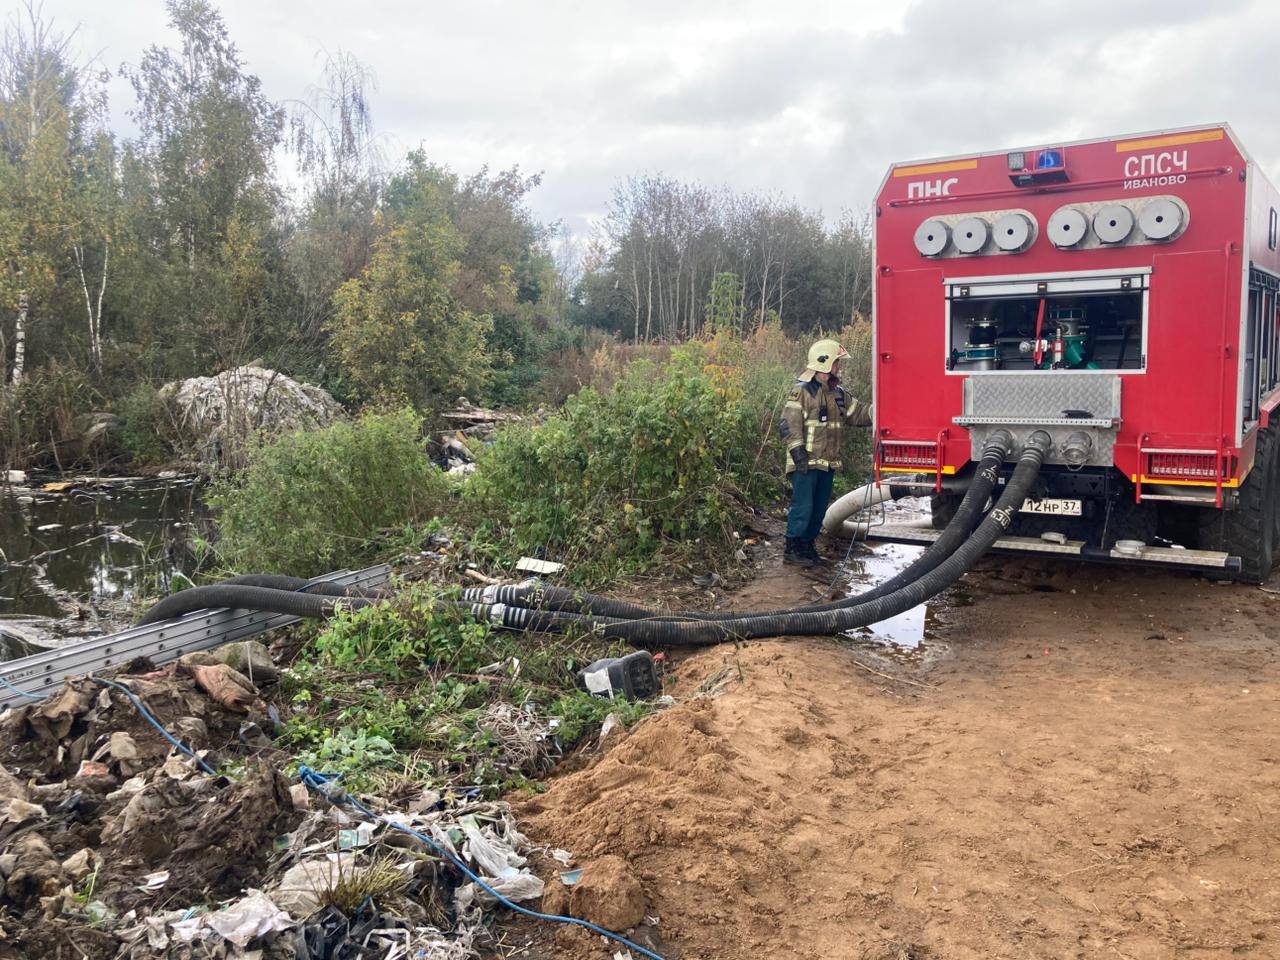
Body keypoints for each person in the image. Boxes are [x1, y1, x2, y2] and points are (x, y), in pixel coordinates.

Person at [778, 338, 872, 566]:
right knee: (803, 507)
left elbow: (858, 413)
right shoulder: (802, 392)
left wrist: (883, 411)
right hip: (805, 462)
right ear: (825, 363)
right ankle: (793, 549)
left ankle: (807, 547)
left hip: (827, 462)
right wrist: (798, 453)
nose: (839, 367)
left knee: (819, 508)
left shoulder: (838, 393)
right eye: (837, 363)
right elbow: (788, 424)